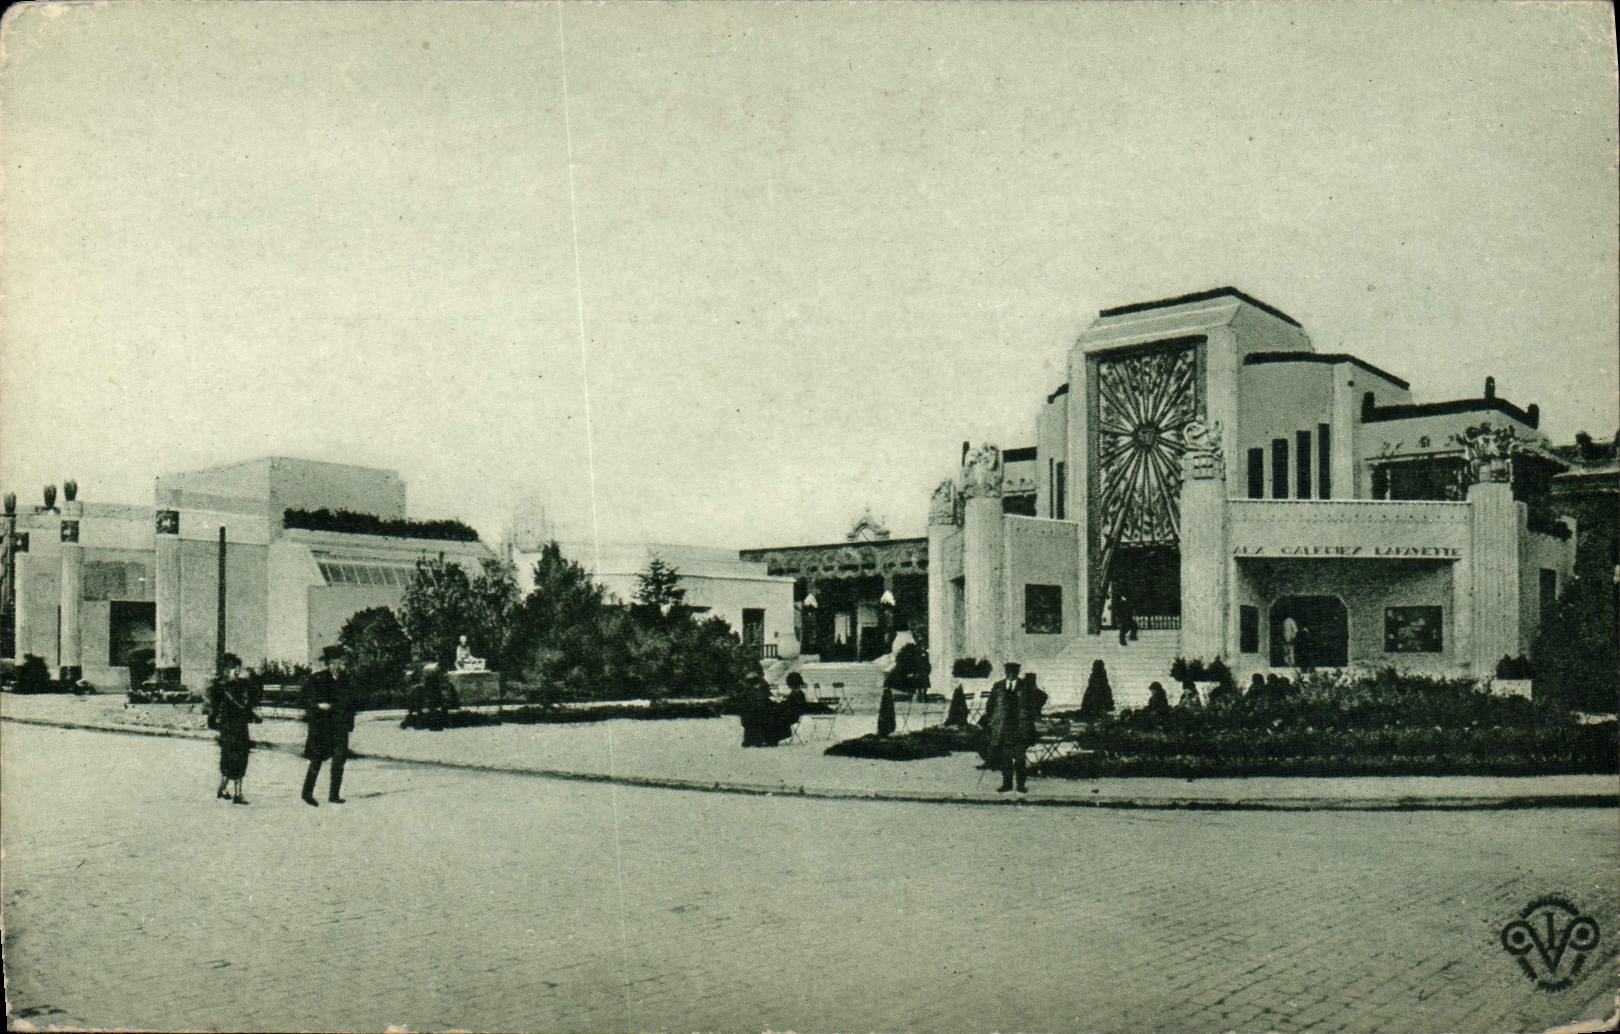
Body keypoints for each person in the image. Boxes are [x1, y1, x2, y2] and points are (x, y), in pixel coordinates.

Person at [981, 661, 1047, 793]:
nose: (1011, 674)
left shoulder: (1025, 686)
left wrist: (1031, 714)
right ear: (1005, 672)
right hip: (1003, 727)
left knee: (1020, 758)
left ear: (1017, 672)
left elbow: (1041, 697)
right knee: (1005, 758)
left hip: (1020, 728)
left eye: (1013, 672)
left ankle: (1021, 785)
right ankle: (1007, 784)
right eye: (1008, 672)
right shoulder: (998, 686)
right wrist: (992, 720)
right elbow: (990, 705)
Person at [300, 646, 354, 806]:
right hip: (322, 726)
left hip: (340, 726)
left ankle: (334, 795)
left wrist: (349, 723)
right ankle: (307, 793)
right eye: (334, 662)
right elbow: (304, 699)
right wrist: (318, 705)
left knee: (339, 760)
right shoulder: (318, 678)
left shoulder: (345, 679)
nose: (338, 665)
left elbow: (351, 701)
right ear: (328, 663)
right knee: (316, 760)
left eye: (340, 661)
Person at [210, 665, 261, 804]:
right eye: (234, 669)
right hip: (236, 731)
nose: (237, 671)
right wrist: (252, 714)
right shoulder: (232, 690)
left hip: (229, 731)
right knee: (239, 760)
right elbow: (242, 707)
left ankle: (223, 789)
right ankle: (236, 794)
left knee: (229, 760)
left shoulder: (227, 688)